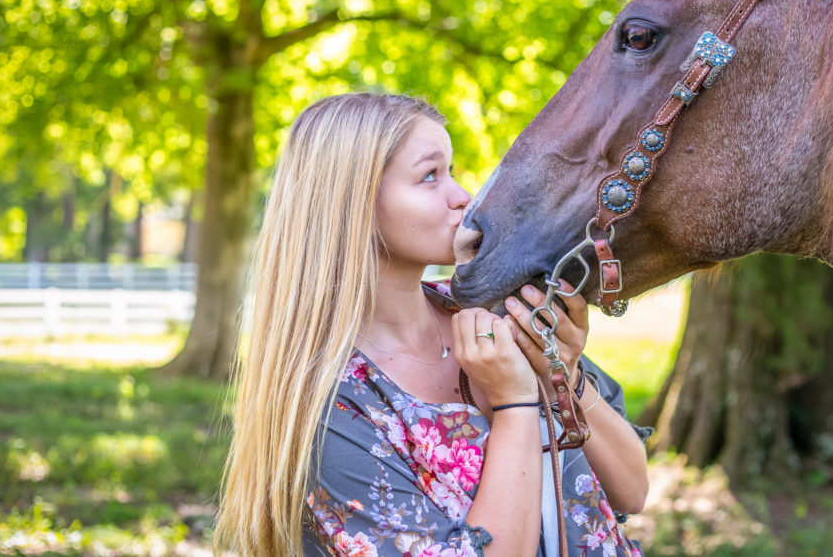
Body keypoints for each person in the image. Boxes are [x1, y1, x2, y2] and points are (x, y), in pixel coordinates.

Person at [215, 93, 650, 556]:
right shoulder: (333, 404)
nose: (462, 195)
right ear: (350, 203)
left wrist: (564, 372)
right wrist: (513, 404)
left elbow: (632, 492)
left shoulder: (496, 313)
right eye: (429, 176)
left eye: (452, 170)